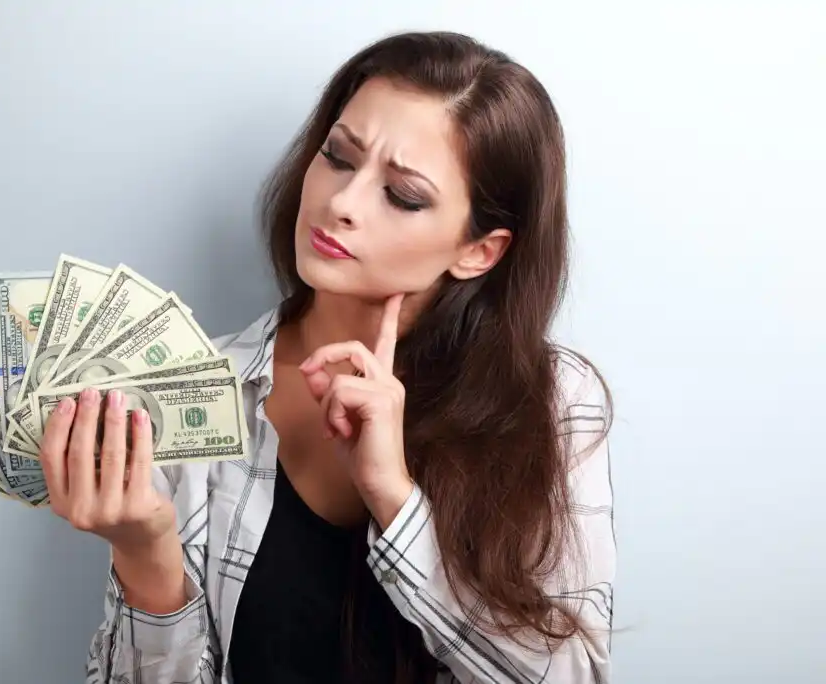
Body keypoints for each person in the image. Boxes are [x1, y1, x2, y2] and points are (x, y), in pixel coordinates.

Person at [39, 30, 616, 684]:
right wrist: (145, 555)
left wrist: (392, 496)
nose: (341, 203)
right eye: (339, 157)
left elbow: (574, 674)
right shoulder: (199, 390)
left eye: (402, 195)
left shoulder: (552, 402)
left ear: (478, 250)